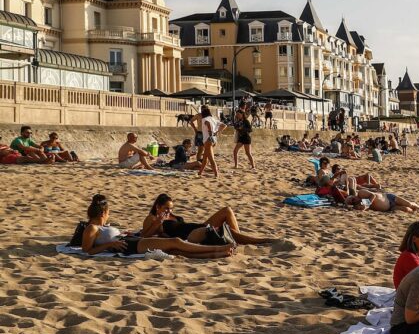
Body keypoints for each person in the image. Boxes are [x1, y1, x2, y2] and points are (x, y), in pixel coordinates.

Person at [72, 194, 235, 259]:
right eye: (108, 212)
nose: (108, 215)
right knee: (176, 241)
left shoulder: (101, 227)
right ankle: (217, 249)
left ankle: (218, 253)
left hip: (131, 240)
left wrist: (121, 233)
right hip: (130, 245)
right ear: (102, 213)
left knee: (175, 249)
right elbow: (87, 250)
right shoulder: (92, 228)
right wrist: (111, 244)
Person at [140, 193, 277, 245]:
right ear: (158, 207)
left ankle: (236, 239)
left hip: (197, 227)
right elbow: (144, 236)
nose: (169, 211)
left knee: (227, 210)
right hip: (190, 235)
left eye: (171, 208)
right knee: (225, 229)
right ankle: (260, 241)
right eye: (166, 208)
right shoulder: (152, 218)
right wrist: (158, 223)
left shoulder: (170, 216)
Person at [197, 105, 224, 178]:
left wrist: (210, 132)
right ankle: (200, 172)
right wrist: (217, 132)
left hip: (208, 140)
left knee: (211, 159)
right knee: (205, 157)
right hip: (214, 139)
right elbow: (224, 125)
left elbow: (207, 124)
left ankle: (216, 174)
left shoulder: (204, 119)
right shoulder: (213, 119)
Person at [349, 188, 419, 213]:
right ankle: (416, 209)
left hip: (389, 198)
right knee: (406, 209)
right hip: (389, 208)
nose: (354, 201)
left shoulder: (361, 193)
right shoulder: (360, 203)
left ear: (353, 195)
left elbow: (373, 195)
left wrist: (367, 205)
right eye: (352, 202)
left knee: (409, 204)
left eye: (352, 199)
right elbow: (365, 208)